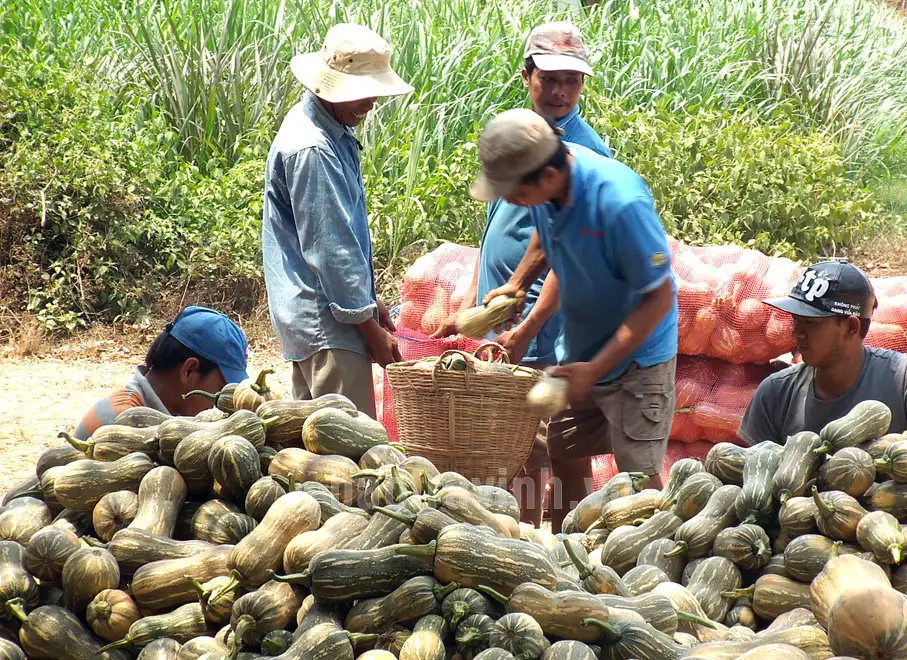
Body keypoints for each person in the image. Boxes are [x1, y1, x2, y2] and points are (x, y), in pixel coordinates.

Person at [432, 21, 610, 525]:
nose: (559, 91)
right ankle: (540, 547)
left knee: (549, 451)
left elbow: (572, 257)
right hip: (506, 325)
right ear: (526, 74)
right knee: (521, 452)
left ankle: (559, 551)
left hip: (546, 333)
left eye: (572, 81)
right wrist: (473, 306)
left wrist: (526, 324)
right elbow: (493, 231)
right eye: (549, 77)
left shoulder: (583, 153)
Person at [475, 109, 679, 531]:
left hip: (638, 361)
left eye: (513, 192)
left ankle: (652, 568)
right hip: (578, 352)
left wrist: (597, 368)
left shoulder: (620, 202)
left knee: (637, 481)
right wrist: (518, 290)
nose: (509, 201)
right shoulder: (548, 193)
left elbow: (658, 297)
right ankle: (571, 556)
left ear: (545, 177)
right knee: (565, 453)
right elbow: (547, 241)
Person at [262, 23, 412, 417]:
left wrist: (369, 303)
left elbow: (337, 240)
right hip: (328, 326)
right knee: (350, 462)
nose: (372, 102)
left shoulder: (327, 127)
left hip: (320, 321)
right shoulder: (314, 148)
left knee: (313, 453)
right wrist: (369, 330)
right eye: (363, 92)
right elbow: (332, 251)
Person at [739, 260, 907, 445]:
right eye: (795, 320)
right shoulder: (775, 394)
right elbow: (750, 479)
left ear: (851, 327)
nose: (796, 332)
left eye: (810, 322)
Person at [73, 306, 249, 440]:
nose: (223, 402)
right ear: (189, 371)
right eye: (222, 388)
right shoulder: (123, 423)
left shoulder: (173, 412)